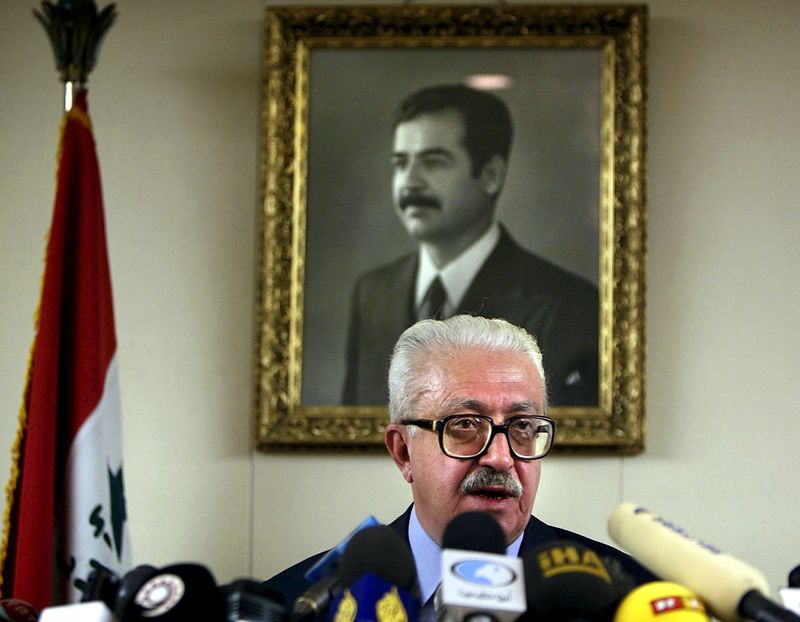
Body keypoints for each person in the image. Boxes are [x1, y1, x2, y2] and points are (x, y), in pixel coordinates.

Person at [267, 315, 653, 609]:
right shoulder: (300, 604)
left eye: (522, 426)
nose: (500, 458)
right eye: (465, 425)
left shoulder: (628, 601)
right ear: (403, 451)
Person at [343, 84, 599, 408]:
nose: (410, 181)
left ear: (491, 176)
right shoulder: (373, 294)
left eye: (434, 162)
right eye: (400, 163)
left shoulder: (566, 305)